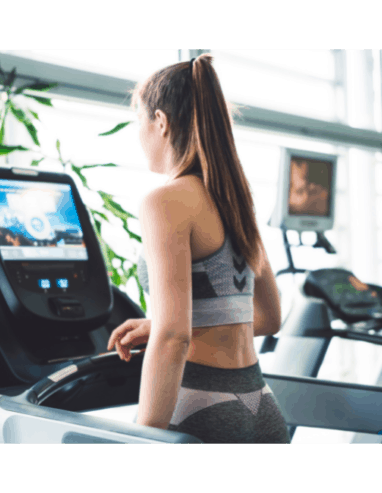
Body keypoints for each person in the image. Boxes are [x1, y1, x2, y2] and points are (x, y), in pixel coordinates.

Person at [105, 55, 290, 444]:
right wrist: (160, 326)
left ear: (161, 121)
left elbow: (174, 338)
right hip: (262, 407)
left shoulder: (165, 201)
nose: (139, 134)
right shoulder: (234, 198)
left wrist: (143, 440)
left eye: (140, 121)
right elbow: (269, 317)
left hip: (203, 408)